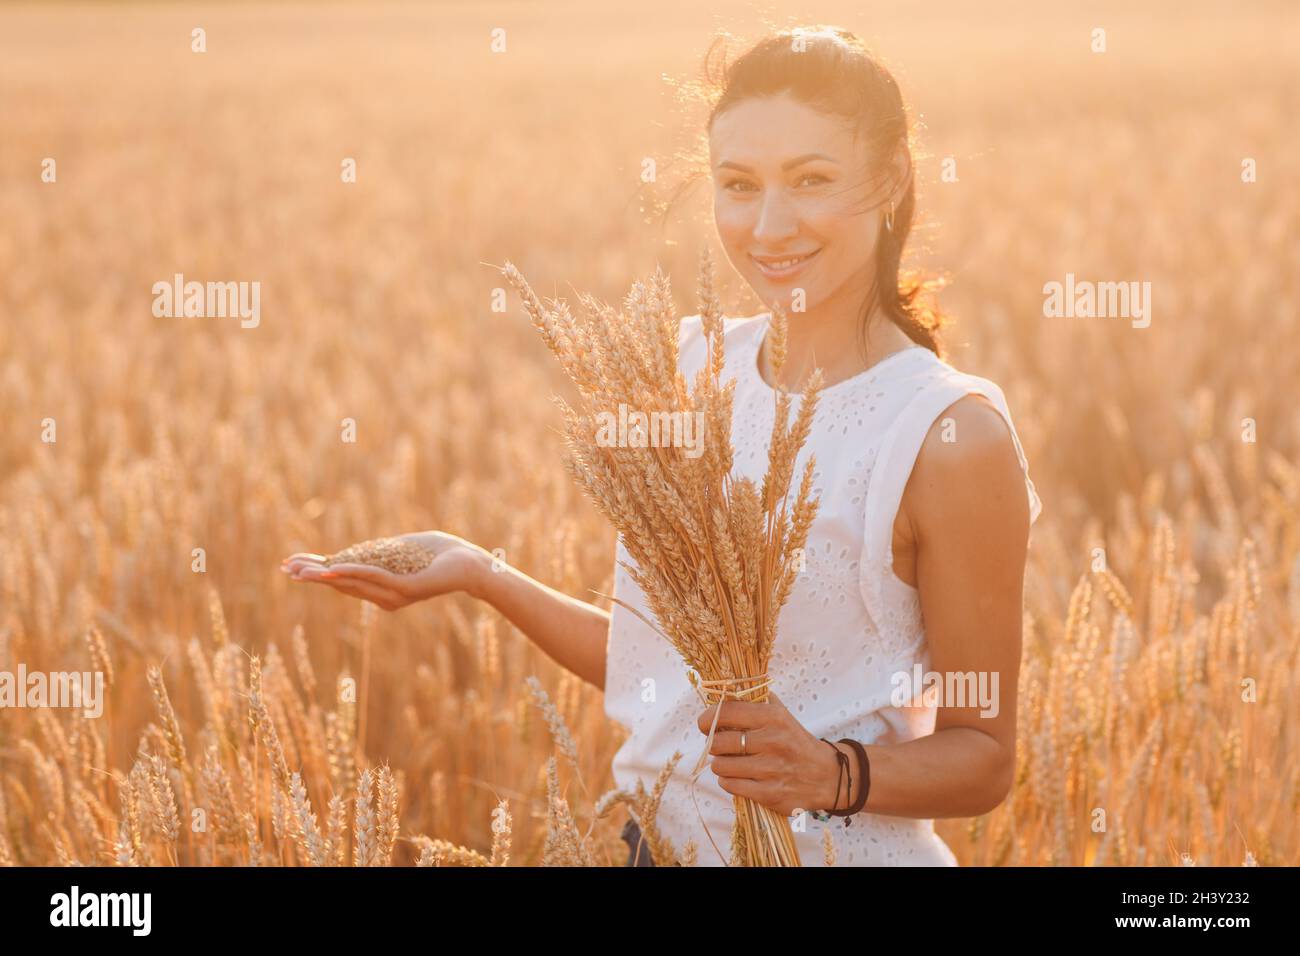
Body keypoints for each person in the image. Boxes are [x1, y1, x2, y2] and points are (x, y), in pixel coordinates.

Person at [282, 25, 1042, 867]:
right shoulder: (690, 369)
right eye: (738, 185)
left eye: (812, 180)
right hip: (655, 851)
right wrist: (480, 573)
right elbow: (662, 668)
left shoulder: (947, 434)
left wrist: (830, 773)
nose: (770, 225)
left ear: (892, 178)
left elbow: (985, 754)